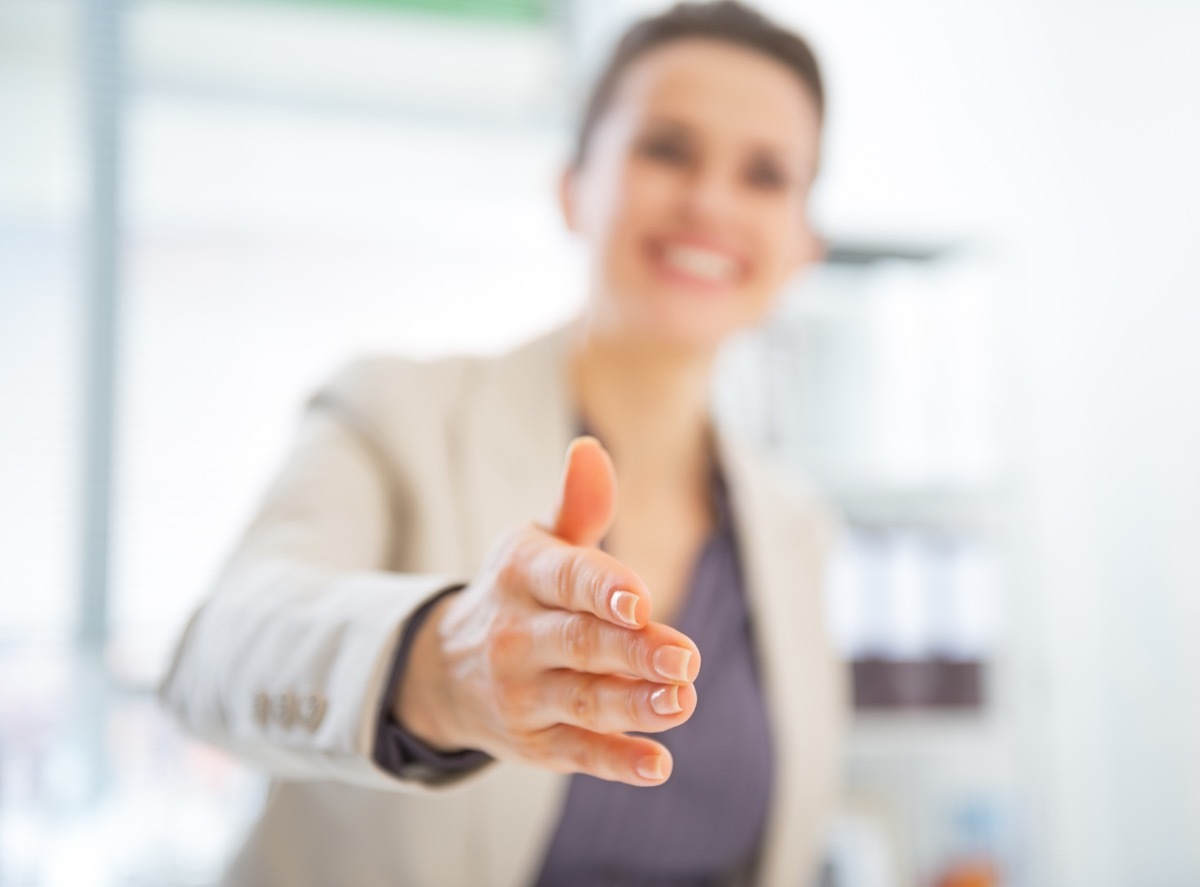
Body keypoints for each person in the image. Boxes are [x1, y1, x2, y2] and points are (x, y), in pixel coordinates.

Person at [159, 2, 847, 885]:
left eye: (765, 174)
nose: (711, 199)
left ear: (804, 246)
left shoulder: (799, 530)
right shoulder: (397, 411)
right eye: (665, 148)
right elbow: (215, 650)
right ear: (573, 188)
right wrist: (438, 666)